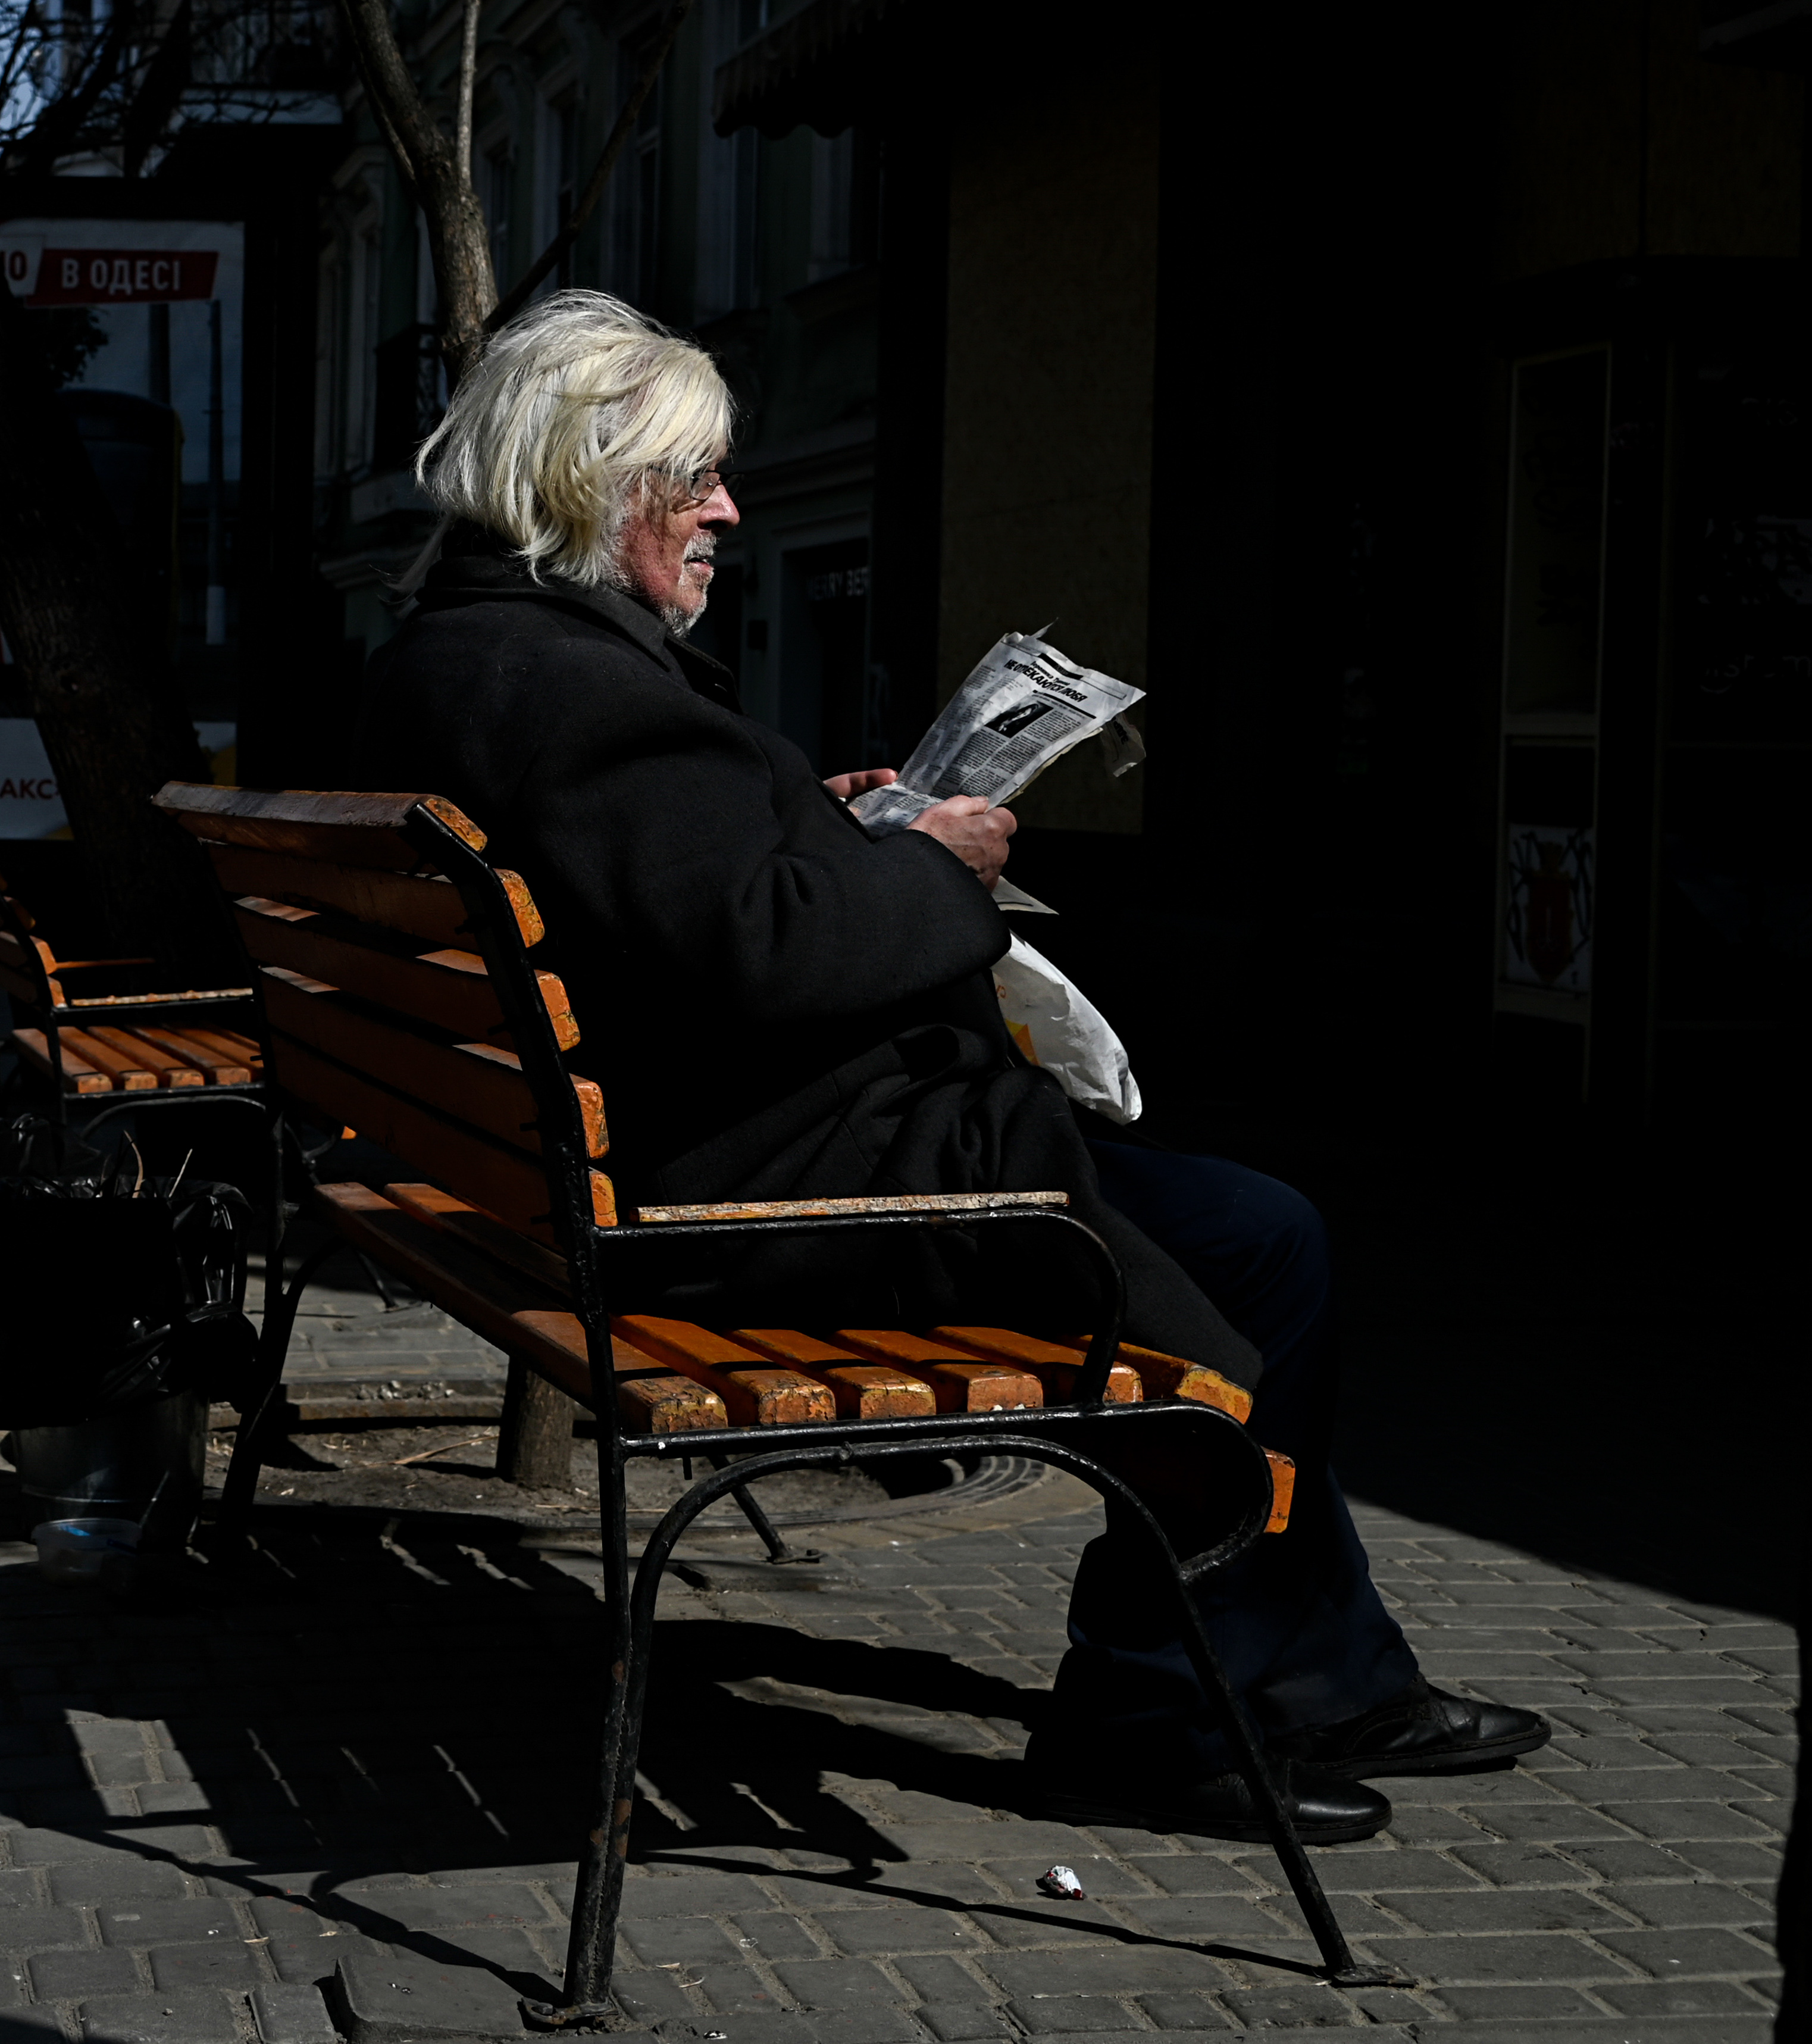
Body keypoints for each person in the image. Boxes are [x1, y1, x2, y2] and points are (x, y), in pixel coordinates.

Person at [353, 290, 1544, 1843]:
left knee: (1255, 1233)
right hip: (751, 1206)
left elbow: (677, 909)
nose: (725, 508)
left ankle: (1323, 1668)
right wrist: (939, 870)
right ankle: (1152, 1708)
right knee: (1263, 1249)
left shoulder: (477, 658)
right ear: (591, 488)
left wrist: (828, 837)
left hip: (658, 1158)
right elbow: (763, 959)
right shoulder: (576, 690)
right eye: (692, 478)